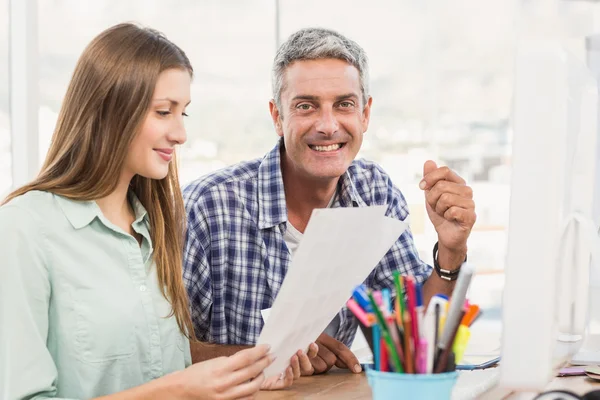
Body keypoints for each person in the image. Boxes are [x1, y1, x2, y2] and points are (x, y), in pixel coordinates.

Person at [0, 23, 300, 400]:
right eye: (163, 112)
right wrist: (177, 391)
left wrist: (246, 374)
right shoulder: (24, 229)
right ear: (110, 109)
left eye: (183, 114)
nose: (180, 133)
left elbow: (161, 369)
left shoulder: (155, 227)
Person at [182, 27, 476, 376]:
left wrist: (451, 249)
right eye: (306, 106)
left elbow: (411, 337)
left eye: (344, 105)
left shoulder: (374, 191)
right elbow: (160, 352)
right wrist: (271, 357)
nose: (327, 125)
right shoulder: (207, 207)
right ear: (278, 117)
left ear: (365, 114)